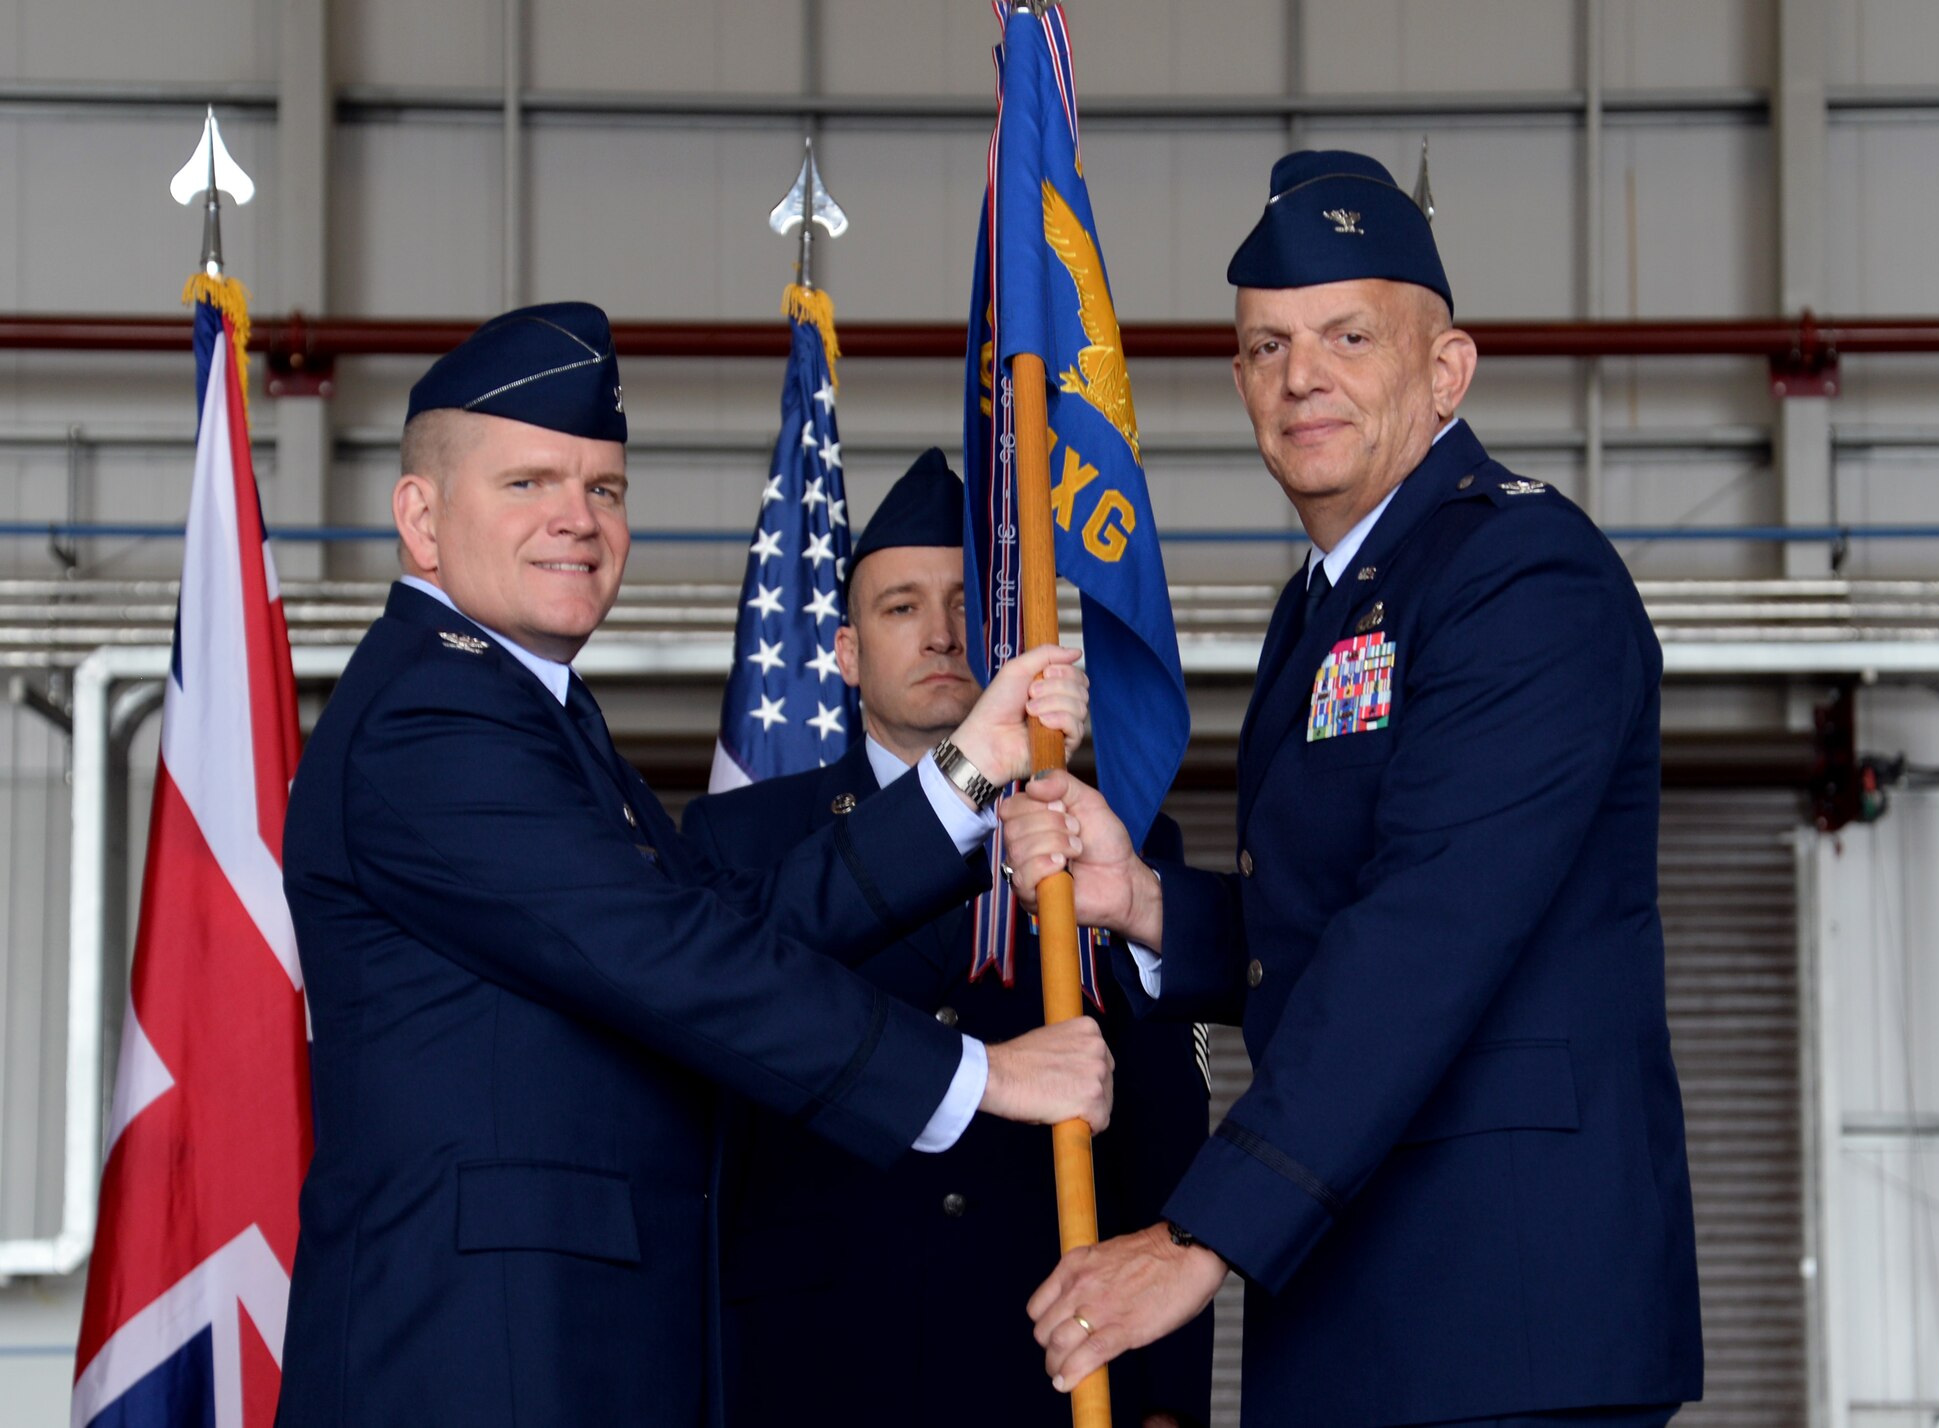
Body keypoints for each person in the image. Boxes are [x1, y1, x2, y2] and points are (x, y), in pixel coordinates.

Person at [277, 303, 1117, 1427]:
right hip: (483, 1355)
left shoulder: (528, 710)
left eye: (604, 489)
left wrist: (973, 767)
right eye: (527, 483)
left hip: (571, 1344)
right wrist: (983, 1078)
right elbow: (670, 958)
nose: (576, 520)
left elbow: (739, 915)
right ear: (420, 519)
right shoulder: (430, 719)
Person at [1001, 151, 1705, 1427]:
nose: (1299, 377)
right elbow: (1328, 918)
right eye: (1265, 348)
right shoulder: (1322, 608)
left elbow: (1427, 933)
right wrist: (1149, 903)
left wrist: (1198, 1237)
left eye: (1346, 335)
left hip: (1502, 1317)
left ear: (1446, 370)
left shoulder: (1522, 575)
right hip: (1360, 1305)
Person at [681, 448, 1213, 1428]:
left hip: (1045, 1358)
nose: (939, 634)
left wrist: (1168, 1399)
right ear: (843, 652)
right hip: (808, 1363)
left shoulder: (1108, 832)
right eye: (899, 607)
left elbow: (1162, 1120)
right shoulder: (738, 839)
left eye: (968, 603)